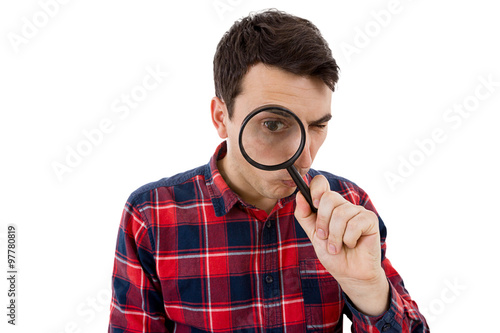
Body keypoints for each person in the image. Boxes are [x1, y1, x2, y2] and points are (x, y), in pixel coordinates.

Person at [108, 9, 429, 332]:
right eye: (273, 124)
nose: (303, 156)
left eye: (317, 126)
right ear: (221, 118)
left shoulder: (347, 207)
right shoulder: (151, 216)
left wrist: (369, 290)